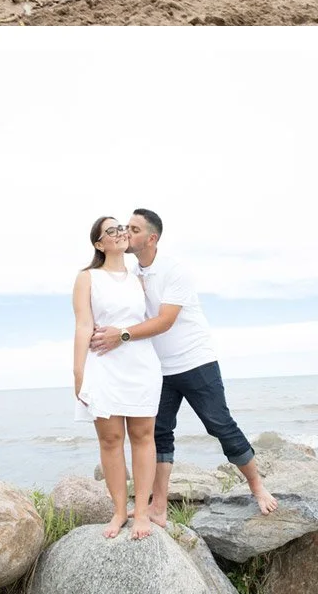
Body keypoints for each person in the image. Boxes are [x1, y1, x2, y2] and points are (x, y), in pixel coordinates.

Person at [90, 208, 278, 525]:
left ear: (151, 238)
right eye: (125, 228)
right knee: (160, 435)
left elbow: (164, 321)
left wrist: (120, 336)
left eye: (133, 229)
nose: (126, 233)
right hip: (158, 370)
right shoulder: (133, 275)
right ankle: (159, 507)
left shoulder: (175, 271)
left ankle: (258, 487)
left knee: (220, 425)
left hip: (195, 362)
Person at [72, 216, 161, 539]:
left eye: (122, 227)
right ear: (99, 243)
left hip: (141, 364)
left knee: (143, 436)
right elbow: (84, 325)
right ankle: (119, 510)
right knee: (110, 440)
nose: (121, 232)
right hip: (103, 365)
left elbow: (154, 320)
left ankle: (142, 513)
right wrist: (78, 372)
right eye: (111, 230)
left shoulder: (140, 277)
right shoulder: (88, 278)